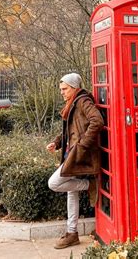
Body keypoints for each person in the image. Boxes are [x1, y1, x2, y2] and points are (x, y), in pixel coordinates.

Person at [46, 72, 104, 250]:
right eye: (61, 89)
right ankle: (72, 233)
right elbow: (69, 131)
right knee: (72, 192)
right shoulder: (72, 103)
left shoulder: (83, 101)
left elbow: (98, 121)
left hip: (79, 155)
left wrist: (82, 145)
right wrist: (57, 143)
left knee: (54, 183)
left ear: (74, 88)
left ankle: (89, 185)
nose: (62, 92)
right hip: (71, 152)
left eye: (64, 89)